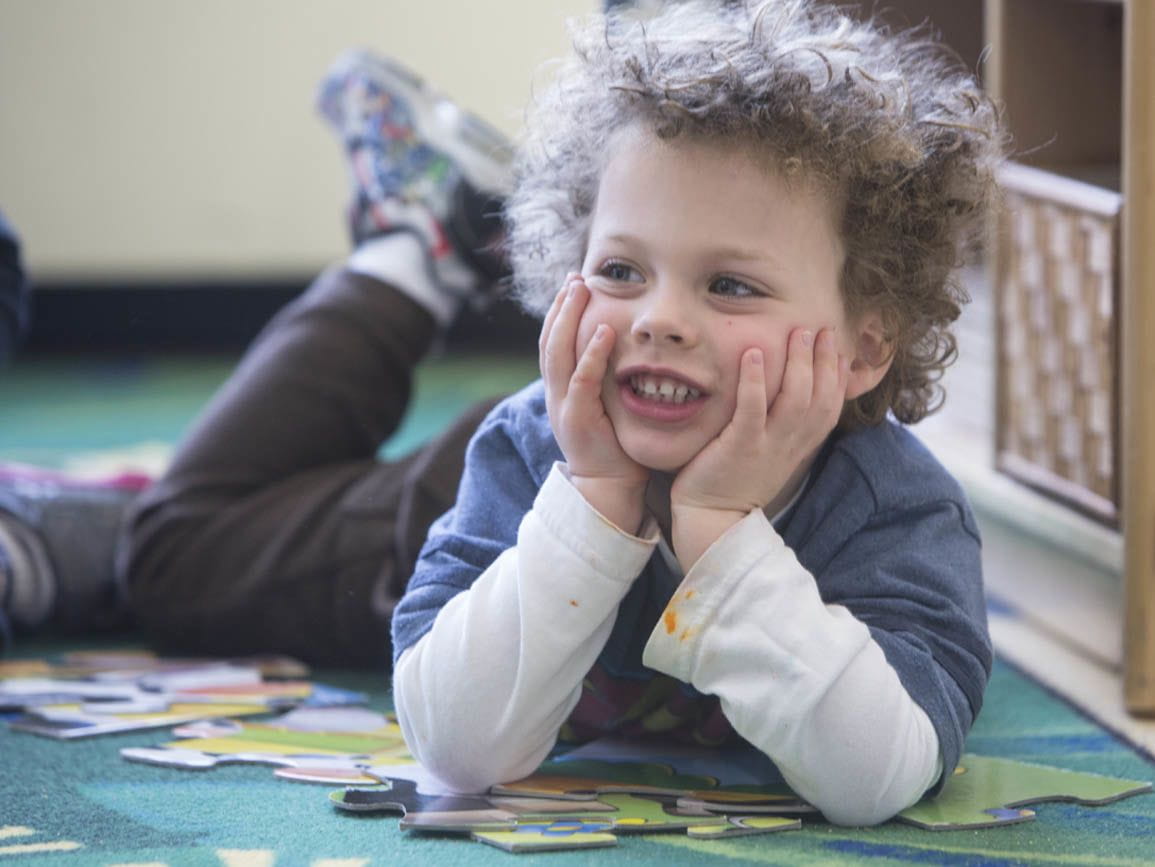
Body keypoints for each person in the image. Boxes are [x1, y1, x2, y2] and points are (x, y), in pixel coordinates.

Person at [389, 0, 1001, 827]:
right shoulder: (524, 448)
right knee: (189, 554)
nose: (658, 318)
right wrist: (598, 493)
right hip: (366, 553)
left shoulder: (897, 510)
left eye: (729, 285)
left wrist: (716, 525)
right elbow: (455, 752)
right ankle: (390, 260)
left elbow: (873, 778)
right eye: (619, 269)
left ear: (863, 345)